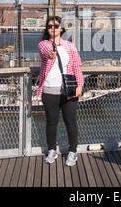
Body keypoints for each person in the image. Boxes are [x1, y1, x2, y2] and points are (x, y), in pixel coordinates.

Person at [38, 16, 84, 167]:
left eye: (56, 26)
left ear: (61, 29)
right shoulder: (44, 44)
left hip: (68, 89)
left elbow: (77, 66)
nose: (52, 28)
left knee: (70, 122)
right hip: (49, 90)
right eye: (50, 26)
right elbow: (46, 52)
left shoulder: (70, 46)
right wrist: (51, 53)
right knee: (51, 122)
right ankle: (52, 150)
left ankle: (73, 151)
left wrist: (80, 85)